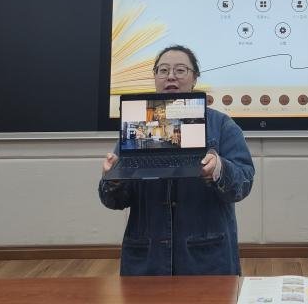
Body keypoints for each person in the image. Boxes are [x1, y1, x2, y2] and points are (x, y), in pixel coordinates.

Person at [98, 44, 255, 276]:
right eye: (163, 70)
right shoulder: (137, 123)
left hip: (206, 260)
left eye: (180, 70)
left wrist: (219, 169)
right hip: (147, 262)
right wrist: (113, 180)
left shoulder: (221, 125)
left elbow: (244, 182)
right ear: (155, 77)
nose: (170, 76)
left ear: (195, 78)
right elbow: (114, 201)